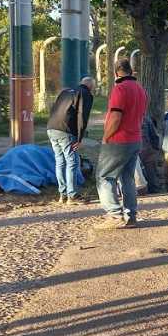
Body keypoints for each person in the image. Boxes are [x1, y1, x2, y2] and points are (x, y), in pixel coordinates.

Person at [95, 60, 147, 229]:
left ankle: (115, 215)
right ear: (131, 71)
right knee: (127, 178)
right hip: (135, 139)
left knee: (105, 177)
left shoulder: (120, 89)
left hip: (119, 140)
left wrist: (106, 136)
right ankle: (130, 216)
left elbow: (116, 117)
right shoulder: (140, 90)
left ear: (116, 72)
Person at [46, 76, 95, 204]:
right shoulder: (85, 94)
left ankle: (62, 195)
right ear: (91, 87)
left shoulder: (66, 92)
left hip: (51, 128)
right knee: (72, 162)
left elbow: (54, 109)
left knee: (60, 162)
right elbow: (82, 116)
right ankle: (72, 195)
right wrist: (79, 138)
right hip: (65, 130)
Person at [139, 114, 161, 194]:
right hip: (132, 154)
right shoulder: (124, 118)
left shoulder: (146, 119)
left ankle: (155, 195)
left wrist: (154, 150)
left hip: (148, 153)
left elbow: (154, 136)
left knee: (152, 177)